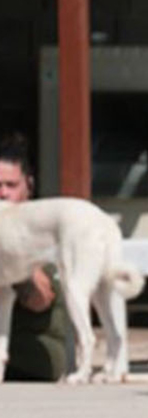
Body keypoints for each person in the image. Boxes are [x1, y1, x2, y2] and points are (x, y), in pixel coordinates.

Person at [0, 135, 69, 382]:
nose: (3, 193)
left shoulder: (41, 225)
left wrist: (11, 263)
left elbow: (41, 298)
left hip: (36, 354)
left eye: (10, 185)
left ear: (28, 185)